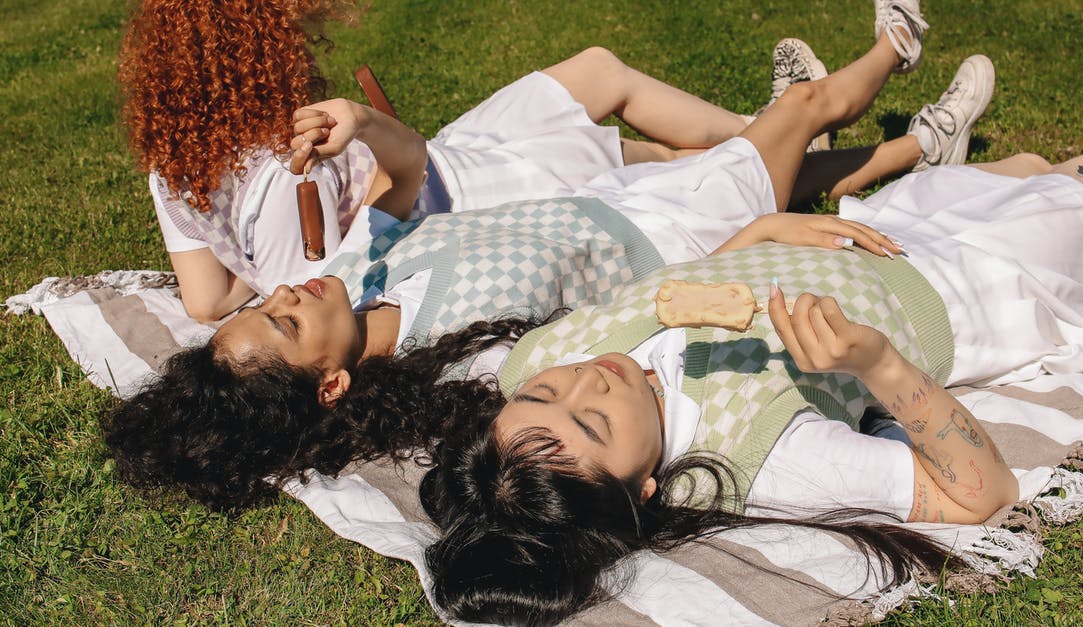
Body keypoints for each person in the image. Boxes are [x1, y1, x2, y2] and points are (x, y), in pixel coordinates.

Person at [409, 46, 1083, 624]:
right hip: (968, 292)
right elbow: (980, 493)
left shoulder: (534, 363)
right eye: (593, 421)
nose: (590, 379)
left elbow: (654, 304)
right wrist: (876, 362)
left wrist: (752, 239)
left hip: (867, 234)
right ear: (641, 490)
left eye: (550, 392)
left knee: (1026, 163)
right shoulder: (764, 453)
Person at [104, 2, 956, 511]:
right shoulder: (465, 367)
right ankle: (900, 42)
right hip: (674, 237)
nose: (289, 289)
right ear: (329, 383)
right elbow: (627, 334)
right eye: (287, 320)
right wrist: (741, 251)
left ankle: (918, 145)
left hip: (613, 200)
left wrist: (361, 127)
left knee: (787, 147)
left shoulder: (367, 268)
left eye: (268, 299)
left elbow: (408, 170)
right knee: (803, 108)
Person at [118, 0, 977, 322]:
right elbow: (395, 183)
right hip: (453, 204)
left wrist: (265, 297)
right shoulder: (291, 124)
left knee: (603, 80)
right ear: (250, 43)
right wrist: (365, 146)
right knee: (656, 159)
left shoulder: (173, 167)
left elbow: (205, 299)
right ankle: (878, 131)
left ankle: (783, 130)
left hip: (443, 169)